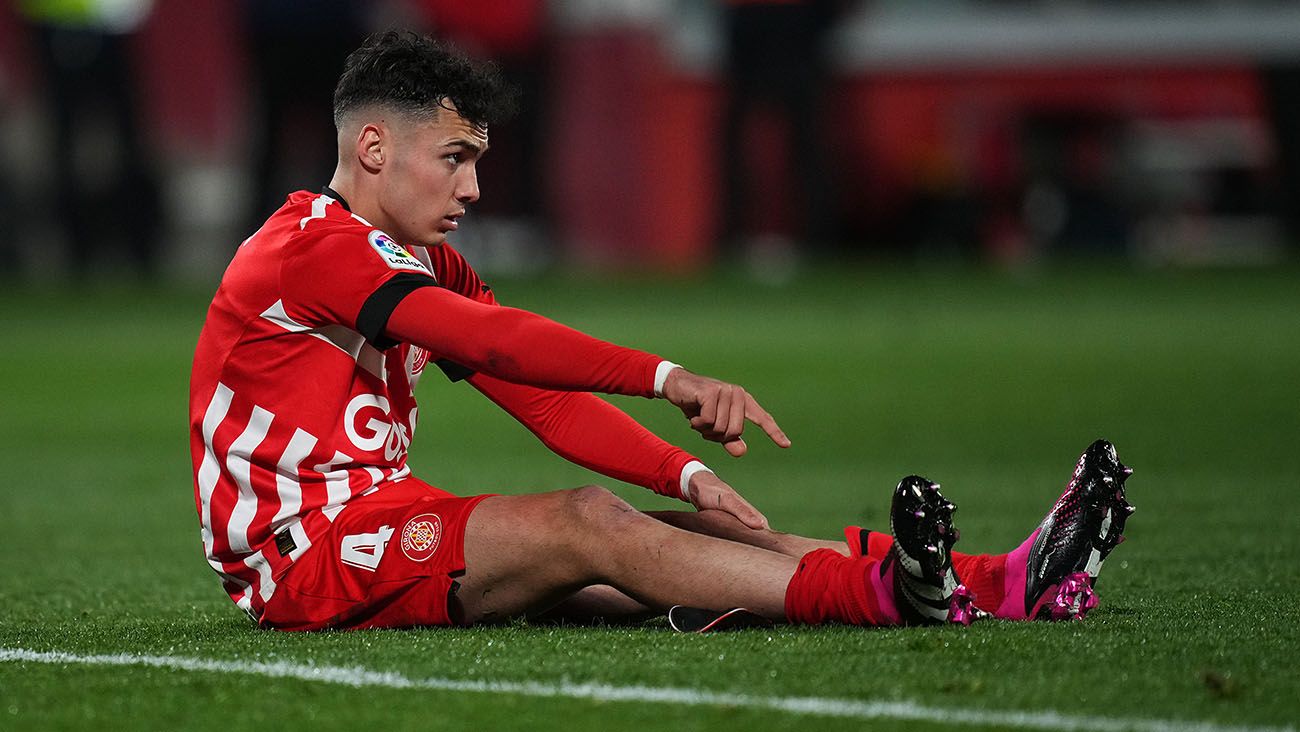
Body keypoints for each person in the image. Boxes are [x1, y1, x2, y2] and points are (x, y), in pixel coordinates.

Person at [188, 31, 1135, 632]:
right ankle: (888, 596)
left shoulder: (415, 258)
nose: (473, 187)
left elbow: (543, 399)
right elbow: (499, 345)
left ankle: (1008, 579)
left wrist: (680, 473)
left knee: (668, 531)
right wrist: (667, 377)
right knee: (588, 522)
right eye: (455, 158)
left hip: (379, 521)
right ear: (373, 148)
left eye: (477, 160)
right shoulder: (312, 248)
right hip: (303, 558)